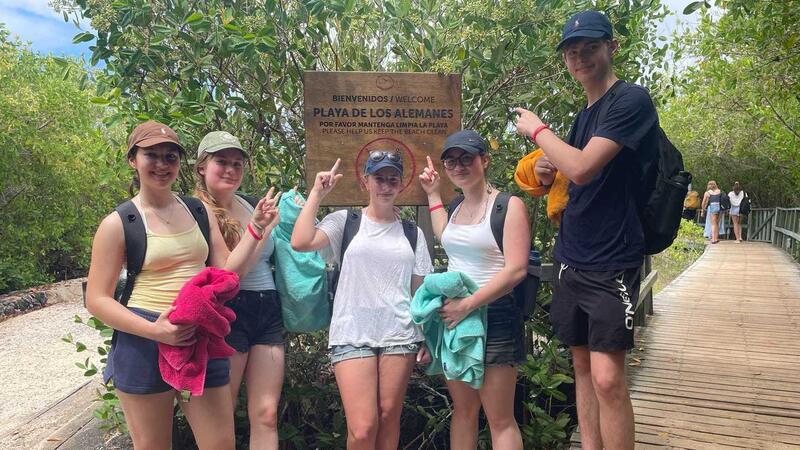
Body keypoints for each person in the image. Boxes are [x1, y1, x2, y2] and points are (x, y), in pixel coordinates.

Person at [513, 10, 660, 450]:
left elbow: (580, 169)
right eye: (572, 53)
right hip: (571, 256)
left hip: (613, 258)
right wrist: (543, 169)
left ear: (611, 48)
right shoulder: (585, 115)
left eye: (590, 48)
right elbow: (570, 176)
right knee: (580, 367)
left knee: (608, 377)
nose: (580, 59)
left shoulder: (630, 101)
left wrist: (537, 130)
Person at [85, 121, 279, 450]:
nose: (162, 165)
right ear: (133, 159)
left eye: (170, 157)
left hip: (199, 334)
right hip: (144, 334)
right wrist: (156, 332)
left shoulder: (197, 210)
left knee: (220, 444)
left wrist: (256, 229)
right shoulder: (119, 223)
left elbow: (227, 273)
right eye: (152, 156)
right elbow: (97, 299)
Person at [290, 152, 433, 450]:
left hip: (400, 333)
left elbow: (420, 291)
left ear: (401, 184)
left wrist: (427, 335)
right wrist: (317, 193)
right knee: (363, 428)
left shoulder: (412, 232)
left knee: (388, 416)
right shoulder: (345, 221)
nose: (385, 186)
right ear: (365, 180)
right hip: (351, 332)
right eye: (379, 178)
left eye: (392, 179)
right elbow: (301, 242)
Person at [419, 130, 530, 450]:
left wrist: (467, 304)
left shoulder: (508, 206)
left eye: (466, 158)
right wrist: (432, 194)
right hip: (456, 320)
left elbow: (516, 269)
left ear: (485, 160)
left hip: (493, 315)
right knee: (464, 410)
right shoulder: (455, 207)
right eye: (451, 161)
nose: (458, 166)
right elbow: (445, 234)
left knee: (500, 418)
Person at [193, 131, 284, 449]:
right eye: (222, 162)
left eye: (237, 163)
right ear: (202, 166)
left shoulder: (248, 204)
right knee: (222, 416)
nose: (230, 169)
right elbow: (229, 274)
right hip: (230, 312)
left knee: (266, 413)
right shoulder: (198, 211)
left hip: (268, 308)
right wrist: (258, 229)